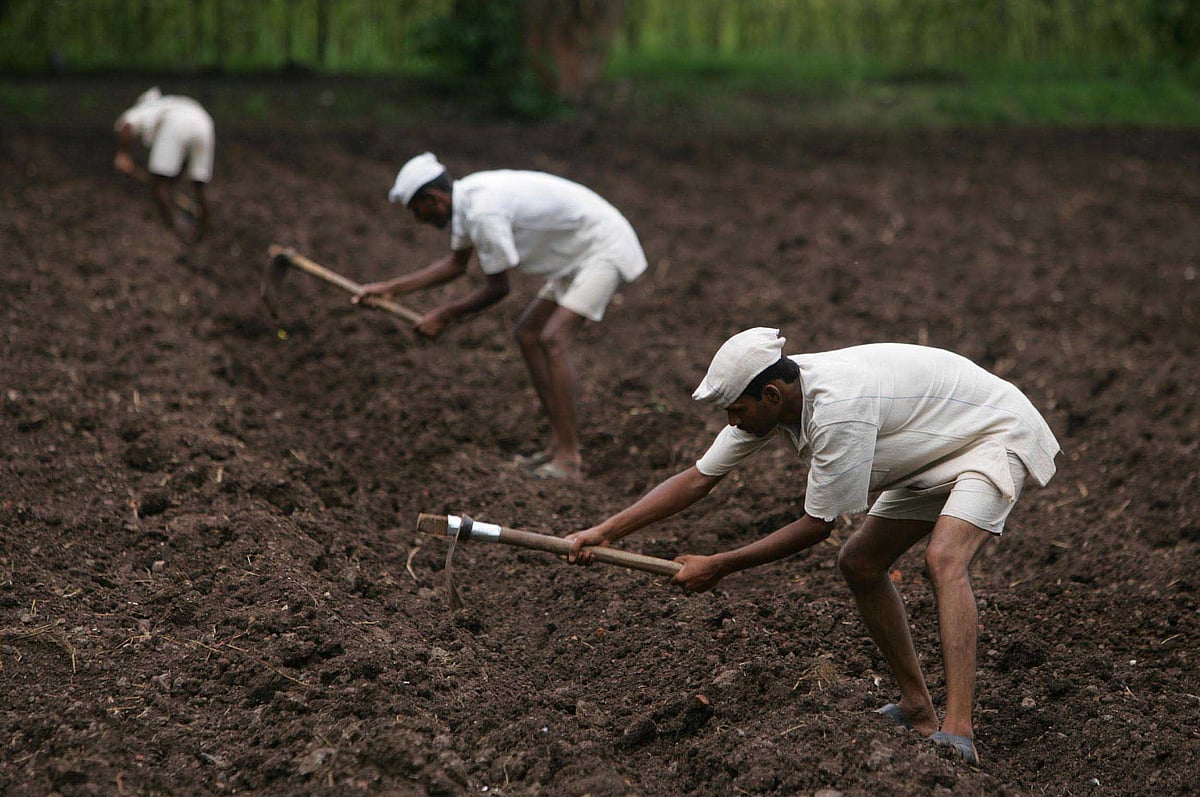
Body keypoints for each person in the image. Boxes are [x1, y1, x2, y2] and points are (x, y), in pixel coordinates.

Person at [566, 328, 1060, 765]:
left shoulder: (837, 412)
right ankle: (916, 708)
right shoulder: (773, 401)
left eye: (738, 411)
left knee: (944, 559)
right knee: (861, 562)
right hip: (928, 446)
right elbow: (697, 480)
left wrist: (721, 564)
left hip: (993, 434)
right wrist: (607, 532)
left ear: (772, 395)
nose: (733, 422)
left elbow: (814, 526)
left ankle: (959, 731)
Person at [355, 152, 647, 480]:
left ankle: (568, 457)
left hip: (603, 247)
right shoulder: (467, 202)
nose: (417, 219)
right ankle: (556, 446)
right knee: (527, 333)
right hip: (577, 254)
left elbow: (498, 288)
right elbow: (455, 265)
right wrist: (390, 289)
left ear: (434, 199)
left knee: (553, 339)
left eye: (416, 210)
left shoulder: (482, 212)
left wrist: (444, 315)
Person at [114, 87, 214, 242]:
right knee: (198, 184)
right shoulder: (169, 103)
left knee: (159, 185)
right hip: (204, 121)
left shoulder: (143, 110)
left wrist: (123, 154)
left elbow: (126, 126)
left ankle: (175, 231)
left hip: (176, 123)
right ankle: (204, 232)